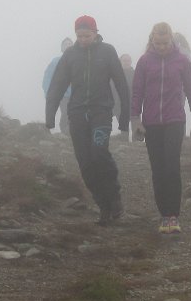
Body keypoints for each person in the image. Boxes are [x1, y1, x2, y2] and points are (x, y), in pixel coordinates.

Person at [45, 16, 130, 225]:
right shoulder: (70, 55)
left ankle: (114, 197)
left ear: (95, 33)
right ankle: (103, 206)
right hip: (77, 113)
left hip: (101, 111)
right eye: (79, 36)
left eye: (87, 35)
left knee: (99, 153)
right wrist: (50, 117)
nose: (83, 40)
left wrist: (124, 118)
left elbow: (121, 84)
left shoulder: (107, 51)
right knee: (85, 162)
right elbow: (57, 85)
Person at [131, 22, 191, 235]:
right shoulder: (144, 62)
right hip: (151, 122)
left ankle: (173, 216)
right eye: (157, 43)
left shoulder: (182, 61)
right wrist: (135, 119)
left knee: (172, 167)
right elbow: (137, 91)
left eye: (165, 43)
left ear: (171, 40)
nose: (161, 47)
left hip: (174, 120)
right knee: (158, 169)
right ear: (152, 40)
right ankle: (164, 215)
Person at [42, 37, 73, 135]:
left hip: (77, 94)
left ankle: (73, 132)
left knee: (76, 113)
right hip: (63, 94)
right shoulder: (56, 61)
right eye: (65, 44)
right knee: (66, 112)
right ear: (62, 48)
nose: (68, 46)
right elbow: (48, 77)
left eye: (70, 44)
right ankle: (65, 131)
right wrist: (49, 93)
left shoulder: (78, 60)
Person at [112, 53, 136, 141]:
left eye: (128, 60)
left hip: (133, 104)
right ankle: (124, 143)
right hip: (119, 104)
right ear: (120, 62)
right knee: (124, 129)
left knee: (136, 127)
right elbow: (111, 88)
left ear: (131, 62)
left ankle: (137, 145)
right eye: (124, 60)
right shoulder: (115, 75)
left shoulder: (136, 74)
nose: (126, 62)